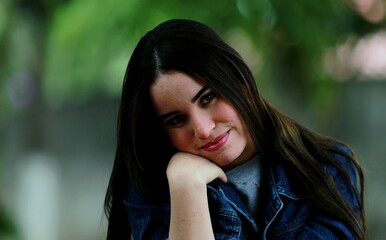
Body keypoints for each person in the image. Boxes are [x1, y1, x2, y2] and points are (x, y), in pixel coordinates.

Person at [104, 19, 365, 240]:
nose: (203, 130)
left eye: (208, 98)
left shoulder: (325, 168)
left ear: (240, 81)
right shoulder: (152, 190)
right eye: (176, 120)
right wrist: (187, 188)